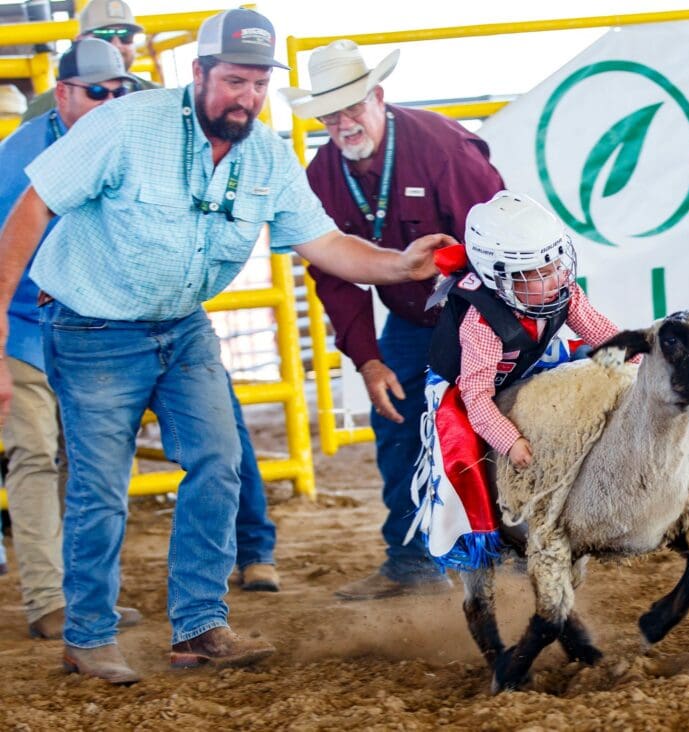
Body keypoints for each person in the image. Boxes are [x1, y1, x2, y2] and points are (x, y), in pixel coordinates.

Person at [0, 8, 451, 685]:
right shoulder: (126, 125)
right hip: (92, 328)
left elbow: (322, 242)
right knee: (100, 487)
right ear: (200, 73)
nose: (247, 96)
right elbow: (34, 205)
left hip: (181, 327)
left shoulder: (266, 152)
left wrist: (398, 265)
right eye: (234, 80)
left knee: (220, 461)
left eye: (259, 83)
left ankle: (198, 627)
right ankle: (87, 636)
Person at [19, 0, 282, 595]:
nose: (112, 89)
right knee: (65, 466)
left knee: (220, 444)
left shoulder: (162, 115)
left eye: (126, 42)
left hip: (167, 313)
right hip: (61, 317)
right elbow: (21, 217)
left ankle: (243, 562)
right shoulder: (52, 136)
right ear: (64, 92)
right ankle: (61, 608)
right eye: (96, 86)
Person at [282, 40, 504, 600]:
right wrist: (368, 359)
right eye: (330, 113)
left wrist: (493, 335)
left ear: (378, 96)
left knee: (498, 421)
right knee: (397, 419)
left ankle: (515, 552)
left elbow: (497, 238)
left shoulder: (443, 147)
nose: (343, 121)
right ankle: (411, 563)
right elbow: (332, 274)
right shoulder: (322, 175)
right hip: (410, 319)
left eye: (353, 105)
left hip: (482, 310)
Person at [0, 39, 148, 640]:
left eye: (118, 91)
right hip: (24, 326)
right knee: (37, 455)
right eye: (97, 92)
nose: (111, 101)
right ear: (62, 95)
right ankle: (47, 601)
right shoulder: (15, 159)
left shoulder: (124, 144)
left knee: (88, 462)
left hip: (91, 325)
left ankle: (83, 599)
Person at [408, 192, 624, 569]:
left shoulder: (562, 291)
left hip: (531, 362)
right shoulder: (482, 324)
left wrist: (640, 353)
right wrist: (510, 441)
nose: (555, 277)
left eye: (556, 264)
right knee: (459, 456)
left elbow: (600, 331)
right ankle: (472, 539)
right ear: (500, 278)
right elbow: (477, 396)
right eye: (537, 273)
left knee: (599, 380)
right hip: (467, 387)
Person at [22, 0, 158, 123]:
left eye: (125, 36)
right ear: (80, 41)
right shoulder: (44, 108)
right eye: (104, 35)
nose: (116, 45)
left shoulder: (158, 96)